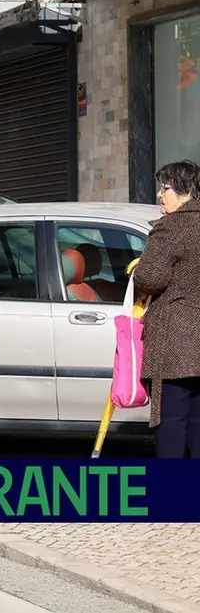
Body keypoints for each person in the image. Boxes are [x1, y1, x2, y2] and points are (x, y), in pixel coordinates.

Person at [135, 159, 200, 458]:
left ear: (185, 192)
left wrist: (138, 270)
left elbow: (150, 278)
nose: (160, 195)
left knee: (172, 421)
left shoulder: (172, 227)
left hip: (177, 344)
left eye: (165, 188)